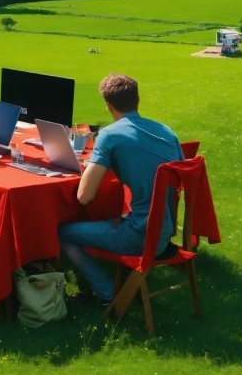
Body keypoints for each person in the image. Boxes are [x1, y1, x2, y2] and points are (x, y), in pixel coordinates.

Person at [58, 73, 183, 306]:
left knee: (64, 233)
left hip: (140, 236)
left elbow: (84, 197)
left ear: (108, 105)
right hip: (165, 231)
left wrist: (90, 168)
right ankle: (111, 285)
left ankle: (108, 294)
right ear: (138, 100)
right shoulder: (167, 132)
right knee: (113, 219)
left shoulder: (110, 135)